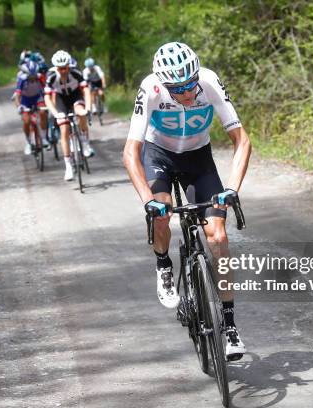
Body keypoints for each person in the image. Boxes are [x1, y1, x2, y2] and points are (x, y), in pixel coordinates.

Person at [122, 42, 251, 360]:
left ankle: (230, 327)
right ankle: (164, 265)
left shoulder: (207, 81)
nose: (188, 92)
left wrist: (231, 188)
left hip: (198, 158)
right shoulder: (150, 89)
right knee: (162, 214)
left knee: (218, 237)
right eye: (178, 88)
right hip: (159, 156)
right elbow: (130, 152)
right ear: (165, 85)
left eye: (191, 83)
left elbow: (241, 140)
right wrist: (147, 200)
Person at [44, 50, 93, 181]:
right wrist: (55, 114)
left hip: (75, 96)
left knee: (80, 112)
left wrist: (88, 107)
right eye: (60, 69)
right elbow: (47, 98)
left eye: (65, 68)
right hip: (61, 99)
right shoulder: (51, 76)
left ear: (68, 66)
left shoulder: (76, 73)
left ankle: (85, 142)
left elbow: (86, 90)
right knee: (64, 128)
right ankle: (68, 166)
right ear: (56, 68)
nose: (63, 71)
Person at [14, 60, 48, 155]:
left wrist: (48, 103)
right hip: (25, 100)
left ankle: (44, 138)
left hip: (38, 98)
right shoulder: (22, 79)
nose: (33, 78)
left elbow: (46, 91)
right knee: (26, 120)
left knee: (43, 113)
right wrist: (19, 107)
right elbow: (17, 96)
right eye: (30, 76)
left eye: (34, 76)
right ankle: (28, 142)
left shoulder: (40, 77)